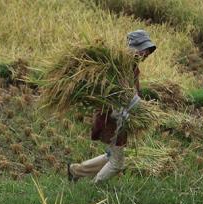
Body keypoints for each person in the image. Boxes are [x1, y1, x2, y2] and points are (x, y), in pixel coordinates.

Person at [67, 29, 156, 183]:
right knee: (117, 163)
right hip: (111, 117)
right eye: (144, 49)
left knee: (112, 155)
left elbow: (132, 92)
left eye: (148, 50)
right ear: (134, 48)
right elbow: (111, 93)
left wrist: (138, 105)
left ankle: (75, 170)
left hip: (121, 117)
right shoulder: (118, 67)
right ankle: (95, 188)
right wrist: (124, 107)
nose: (146, 54)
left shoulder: (132, 66)